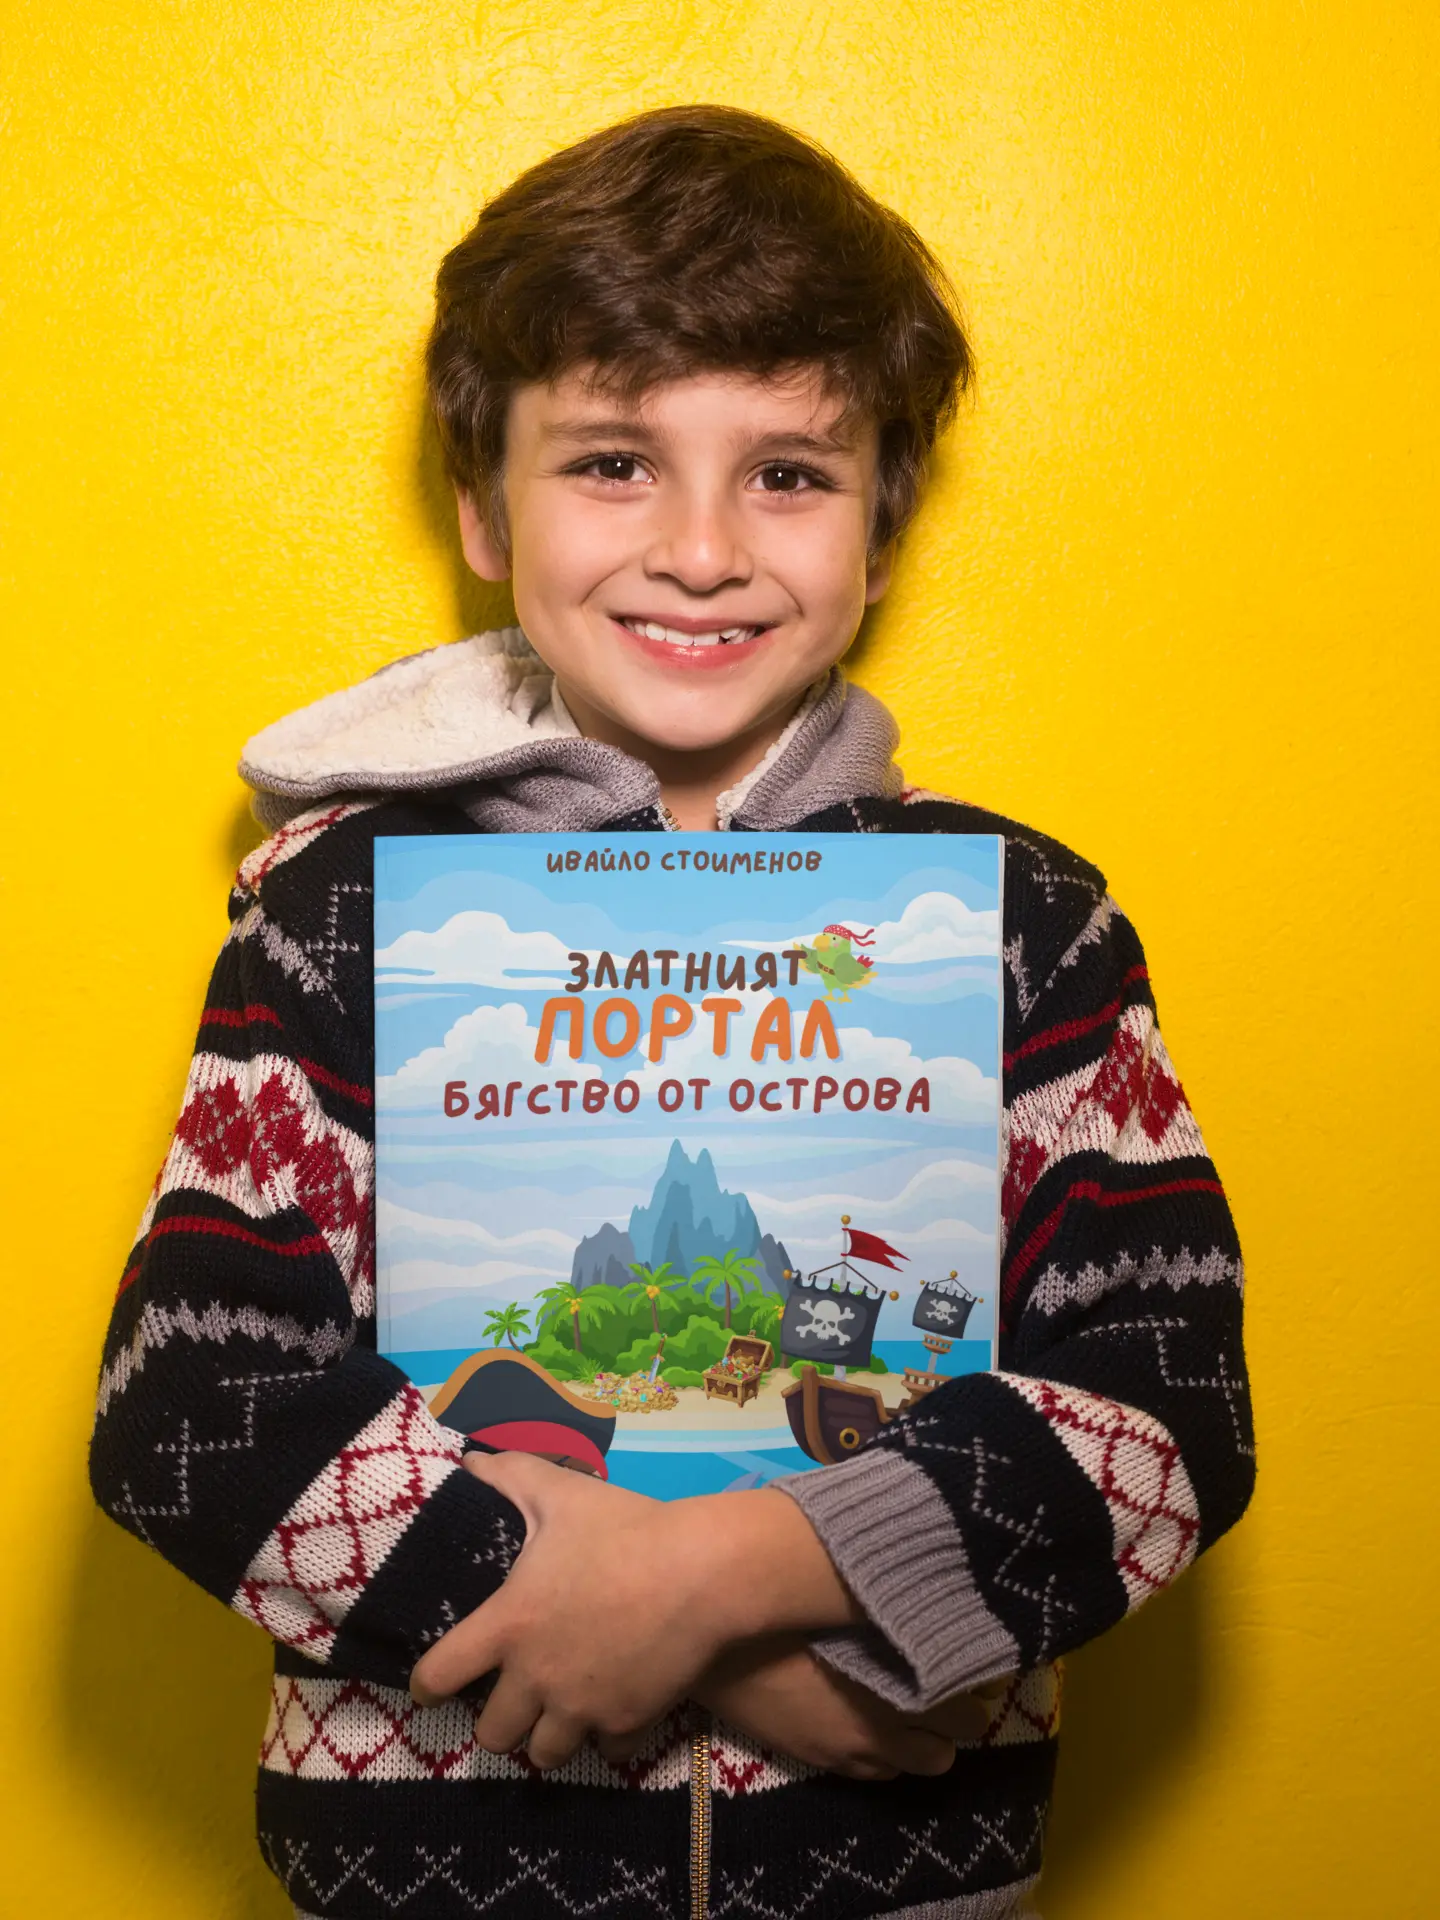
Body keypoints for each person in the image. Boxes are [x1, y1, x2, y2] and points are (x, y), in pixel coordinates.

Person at [90, 105, 1254, 1920]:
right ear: (485, 510)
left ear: (883, 530)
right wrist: (647, 1625)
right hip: (434, 1880)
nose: (702, 550)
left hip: (897, 1878)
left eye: (787, 474)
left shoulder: (1029, 924)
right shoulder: (335, 918)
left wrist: (735, 1579)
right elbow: (194, 1402)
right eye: (615, 462)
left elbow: (1164, 1408)